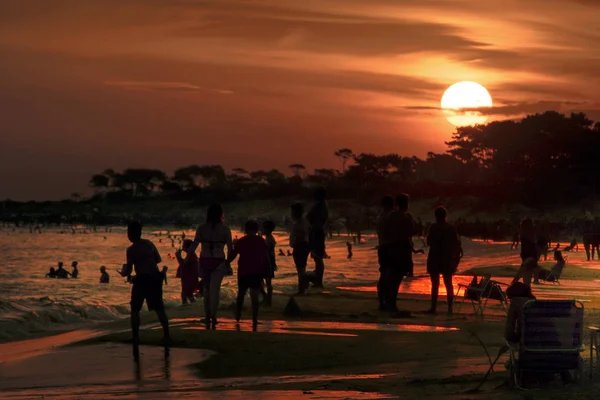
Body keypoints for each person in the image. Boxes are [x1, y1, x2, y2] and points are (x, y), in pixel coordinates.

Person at [118, 221, 170, 361]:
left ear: (131, 234)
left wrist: (124, 272)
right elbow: (158, 260)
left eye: (129, 232)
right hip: (155, 279)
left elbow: (128, 269)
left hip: (142, 280)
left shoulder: (131, 250)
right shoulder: (149, 243)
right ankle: (166, 335)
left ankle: (135, 337)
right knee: (159, 308)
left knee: (135, 309)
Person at [184, 203, 233, 327]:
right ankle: (213, 316)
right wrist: (228, 262)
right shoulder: (225, 230)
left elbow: (193, 247)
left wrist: (186, 260)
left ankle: (206, 316)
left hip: (204, 261)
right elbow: (230, 250)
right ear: (221, 215)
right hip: (218, 261)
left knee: (206, 290)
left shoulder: (201, 228)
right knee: (214, 291)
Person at [226, 220, 271, 328]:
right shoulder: (261, 240)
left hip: (243, 272)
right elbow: (266, 257)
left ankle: (238, 314)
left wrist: (226, 262)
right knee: (254, 296)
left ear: (245, 230)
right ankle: (254, 319)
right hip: (257, 271)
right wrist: (268, 270)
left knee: (241, 294)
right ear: (257, 230)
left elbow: (233, 255)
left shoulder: (242, 241)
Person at [426, 206, 461, 315]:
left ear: (436, 216)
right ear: (445, 216)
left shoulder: (433, 227)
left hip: (434, 258)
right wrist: (455, 260)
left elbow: (428, 242)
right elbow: (456, 244)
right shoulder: (451, 228)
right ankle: (450, 309)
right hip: (447, 258)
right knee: (448, 284)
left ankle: (433, 308)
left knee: (435, 284)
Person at [382, 194, 415, 312]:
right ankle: (392, 303)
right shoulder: (406, 217)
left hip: (390, 248)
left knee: (389, 276)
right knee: (396, 278)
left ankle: (387, 301)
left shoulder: (390, 216)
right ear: (406, 204)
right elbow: (409, 236)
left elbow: (385, 232)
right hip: (401, 250)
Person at [306, 187, 329, 288]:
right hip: (318, 231)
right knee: (318, 257)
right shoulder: (324, 205)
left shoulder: (319, 206)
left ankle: (318, 281)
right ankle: (317, 279)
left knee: (317, 257)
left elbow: (308, 216)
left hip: (316, 231)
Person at [376, 195, 395, 311]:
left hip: (382, 247)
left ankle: (382, 301)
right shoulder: (388, 217)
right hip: (388, 248)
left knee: (383, 274)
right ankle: (387, 301)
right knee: (388, 275)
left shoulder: (379, 217)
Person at [290, 203, 311, 295]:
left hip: (300, 247)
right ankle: (302, 288)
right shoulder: (304, 223)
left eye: (292, 212)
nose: (291, 214)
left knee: (300, 269)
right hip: (303, 246)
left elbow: (299, 237)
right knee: (302, 268)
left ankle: (301, 290)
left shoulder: (299, 224)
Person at [512, 218, 538, 286]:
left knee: (523, 272)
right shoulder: (531, 233)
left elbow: (527, 246)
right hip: (531, 255)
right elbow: (533, 245)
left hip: (527, 255)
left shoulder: (524, 233)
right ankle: (526, 287)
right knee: (527, 273)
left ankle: (514, 286)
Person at [175, 239, 199, 304]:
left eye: (183, 246)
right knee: (184, 292)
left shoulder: (191, 254)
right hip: (188, 276)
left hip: (189, 277)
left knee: (187, 293)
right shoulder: (191, 254)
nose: (182, 248)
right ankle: (185, 304)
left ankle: (192, 304)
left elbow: (183, 264)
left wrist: (178, 256)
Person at [262, 220, 277, 306]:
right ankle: (267, 298)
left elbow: (266, 250)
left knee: (267, 282)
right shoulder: (269, 238)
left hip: (268, 262)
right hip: (268, 262)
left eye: (264, 228)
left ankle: (268, 300)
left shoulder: (270, 239)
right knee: (266, 282)